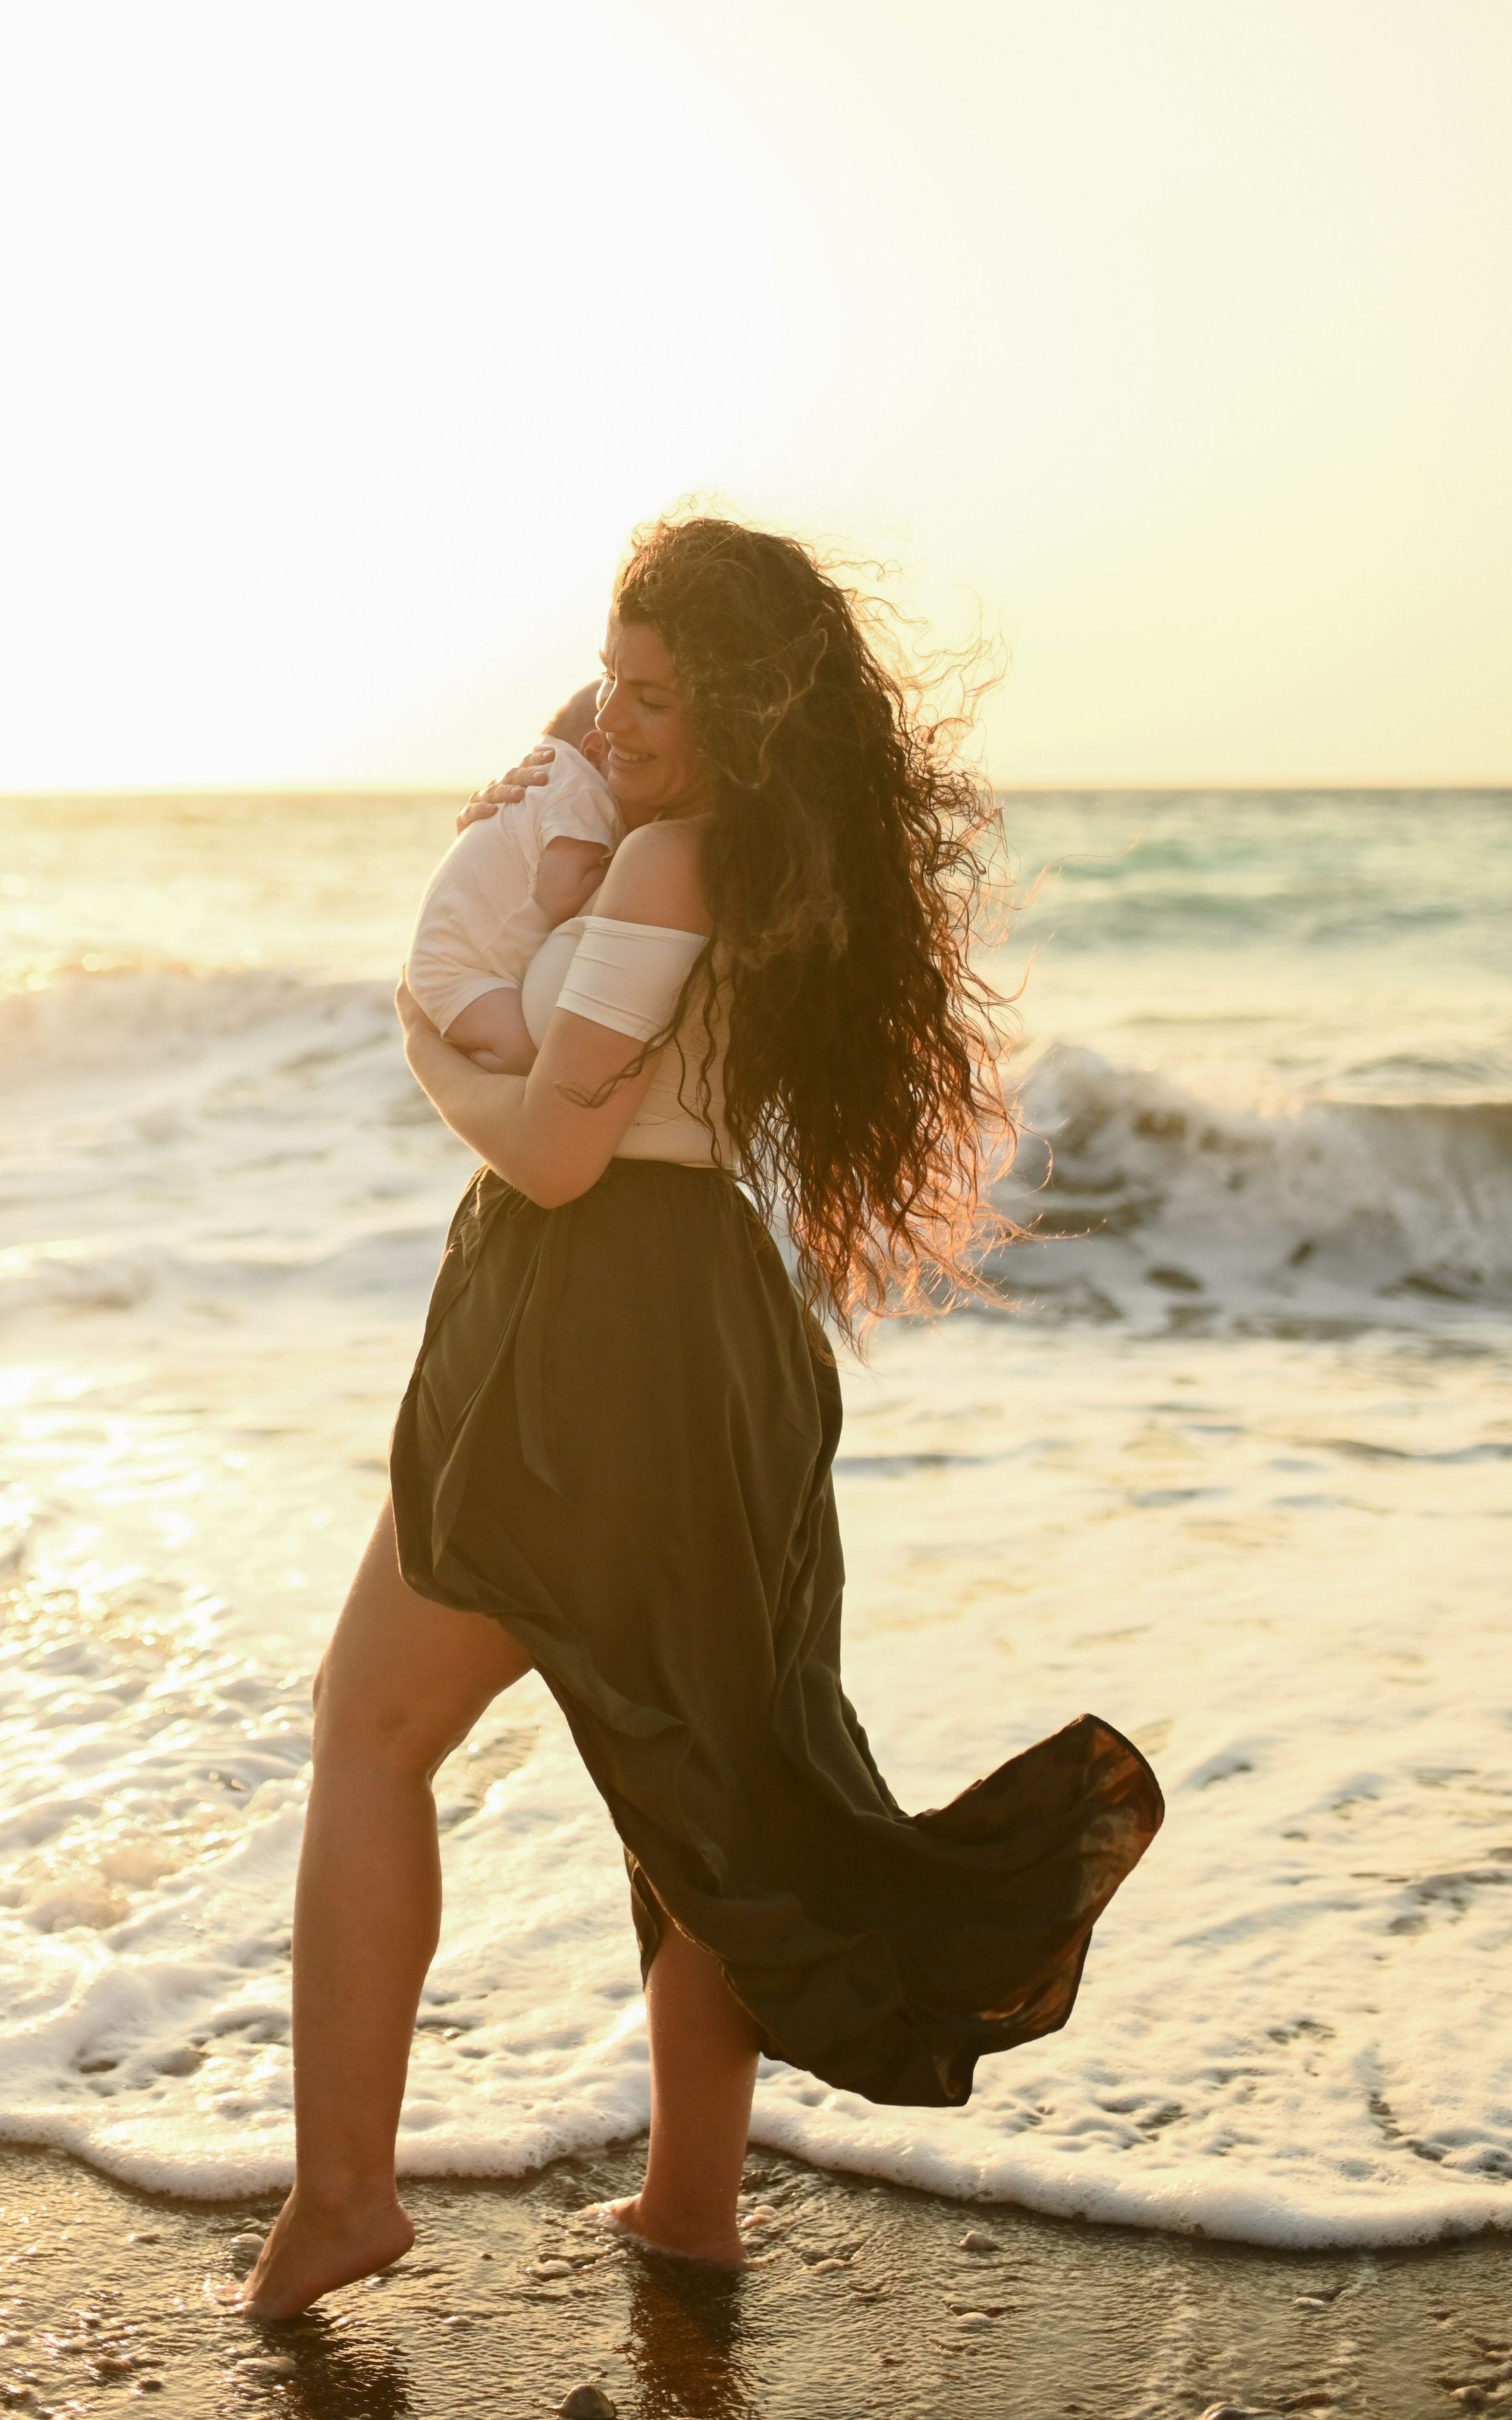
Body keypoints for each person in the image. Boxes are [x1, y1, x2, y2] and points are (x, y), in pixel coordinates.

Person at [242, 515, 1163, 2318]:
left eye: (657, 695)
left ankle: (345, 2191)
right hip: (710, 1335)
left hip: (589, 1327)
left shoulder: (670, 861)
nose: (618, 715)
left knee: (368, 1734)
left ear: (736, 711)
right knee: (709, 1771)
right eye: (614, 679)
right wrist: (580, 753)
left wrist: (429, 1041)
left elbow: (560, 1149)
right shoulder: (752, 855)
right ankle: (687, 2208)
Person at [404, 682, 619, 1074]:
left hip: (451, 960)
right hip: (466, 973)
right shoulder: (584, 793)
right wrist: (620, 863)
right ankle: (464, 1061)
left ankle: (461, 1049)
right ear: (593, 751)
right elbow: (557, 894)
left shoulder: (549, 781)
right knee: (524, 1057)